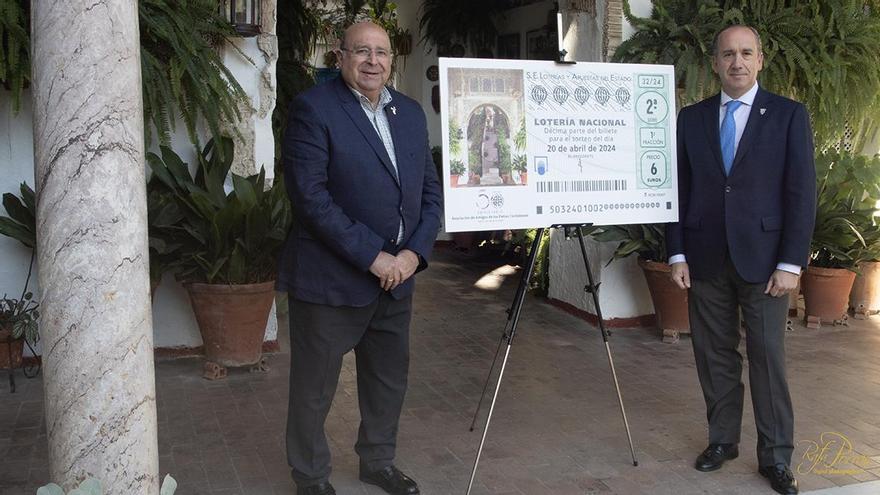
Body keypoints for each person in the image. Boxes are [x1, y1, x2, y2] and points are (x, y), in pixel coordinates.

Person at [277, 21, 442, 495]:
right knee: (314, 389)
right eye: (362, 51)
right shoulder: (314, 109)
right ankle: (309, 478)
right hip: (332, 279)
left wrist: (413, 255)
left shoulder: (409, 113)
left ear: (393, 60)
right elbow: (310, 198)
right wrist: (373, 256)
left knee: (387, 381)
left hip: (398, 278)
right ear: (340, 56)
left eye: (382, 53)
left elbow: (430, 194)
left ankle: (377, 462)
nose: (373, 61)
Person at [667, 25, 816, 495]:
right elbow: (676, 190)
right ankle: (722, 441)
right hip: (705, 256)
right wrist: (676, 251)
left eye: (746, 53)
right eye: (728, 54)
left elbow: (801, 192)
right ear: (715, 63)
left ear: (761, 59)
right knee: (714, 356)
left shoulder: (789, 116)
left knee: (767, 357)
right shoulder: (691, 119)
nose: (737, 62)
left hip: (767, 261)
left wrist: (791, 262)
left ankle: (775, 457)